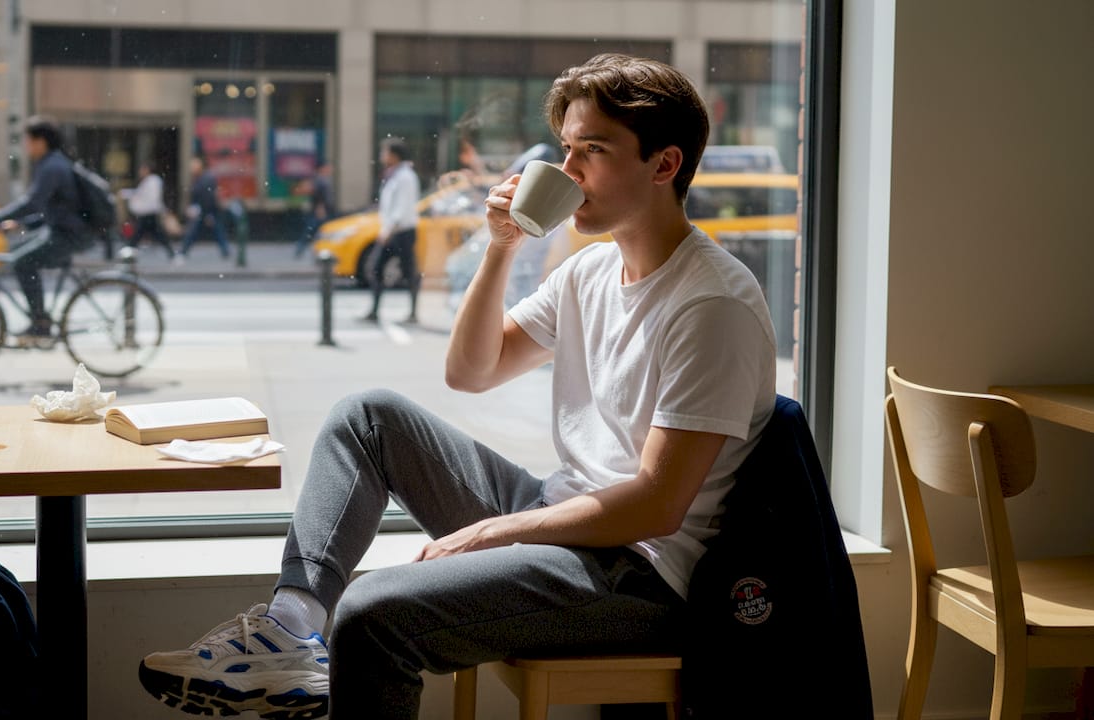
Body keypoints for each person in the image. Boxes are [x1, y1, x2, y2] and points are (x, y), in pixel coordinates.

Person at [137, 53, 777, 720]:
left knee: (371, 614)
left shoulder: (712, 302)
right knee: (369, 418)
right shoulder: (591, 272)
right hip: (574, 518)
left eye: (594, 149)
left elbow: (655, 507)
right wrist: (502, 245)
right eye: (566, 149)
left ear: (664, 165)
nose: (568, 171)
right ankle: (289, 629)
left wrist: (493, 533)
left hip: (641, 575)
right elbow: (471, 370)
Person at [0, 115, 88, 343]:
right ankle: (40, 319)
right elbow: (52, 207)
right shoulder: (53, 162)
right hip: (63, 229)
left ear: (40, 141)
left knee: (24, 263)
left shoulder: (52, 166)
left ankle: (40, 324)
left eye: (28, 140)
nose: (25, 146)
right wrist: (20, 223)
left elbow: (32, 202)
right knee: (21, 253)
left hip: (68, 234)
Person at [361, 138, 420, 323]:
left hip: (402, 232)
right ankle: (375, 311)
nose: (382, 156)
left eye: (385, 152)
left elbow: (401, 208)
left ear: (394, 155)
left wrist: (388, 230)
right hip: (395, 230)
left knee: (407, 271)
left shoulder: (405, 177)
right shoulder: (394, 175)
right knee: (377, 268)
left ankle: (412, 312)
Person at [178, 156, 231, 260]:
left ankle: (183, 251)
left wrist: (207, 213)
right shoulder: (200, 178)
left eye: (194, 166)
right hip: (204, 210)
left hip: (207, 210)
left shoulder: (206, 178)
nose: (191, 169)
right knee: (214, 231)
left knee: (197, 231)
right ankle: (225, 251)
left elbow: (208, 197)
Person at [120, 162, 175, 260]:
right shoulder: (149, 181)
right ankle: (170, 252)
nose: (140, 172)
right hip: (148, 213)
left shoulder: (153, 181)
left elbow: (150, 198)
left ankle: (129, 250)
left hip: (149, 212)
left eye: (142, 170)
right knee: (153, 233)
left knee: (141, 233)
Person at [293, 161, 336, 259]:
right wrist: (320, 207)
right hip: (320, 211)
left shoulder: (322, 179)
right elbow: (317, 195)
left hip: (324, 210)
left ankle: (319, 251)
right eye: (328, 167)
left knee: (315, 232)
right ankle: (301, 250)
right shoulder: (319, 180)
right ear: (322, 168)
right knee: (312, 232)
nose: (330, 169)